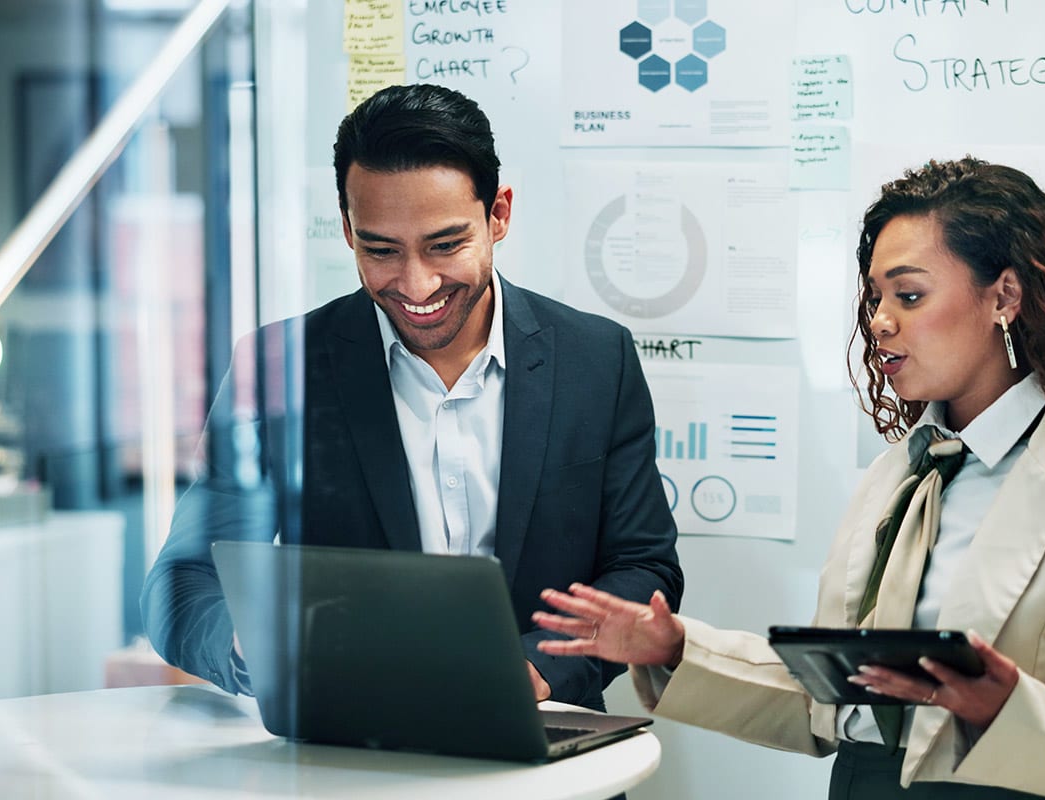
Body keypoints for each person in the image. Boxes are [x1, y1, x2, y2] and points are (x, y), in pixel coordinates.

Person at [534, 157, 1045, 798]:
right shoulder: (899, 475)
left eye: (908, 295)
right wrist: (677, 647)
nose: (879, 321)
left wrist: (1007, 710)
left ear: (1003, 296)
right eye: (876, 296)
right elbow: (834, 702)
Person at [141, 83, 683, 712]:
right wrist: (245, 641)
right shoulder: (277, 367)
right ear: (347, 229)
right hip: (347, 755)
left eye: (445, 245)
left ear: (498, 214)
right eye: (381, 250)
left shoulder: (597, 360)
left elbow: (643, 568)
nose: (416, 284)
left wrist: (538, 669)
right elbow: (182, 583)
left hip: (546, 745)